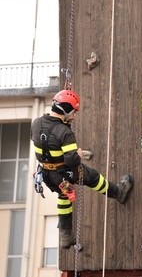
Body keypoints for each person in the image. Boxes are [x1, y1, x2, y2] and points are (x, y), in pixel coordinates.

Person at [31, 89, 133, 249]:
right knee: (91, 176)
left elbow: (42, 145)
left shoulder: (36, 123)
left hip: (46, 174)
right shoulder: (65, 132)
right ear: (65, 111)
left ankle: (65, 236)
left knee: (63, 196)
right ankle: (118, 193)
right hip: (62, 173)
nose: (74, 116)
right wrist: (77, 156)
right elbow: (71, 160)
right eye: (73, 113)